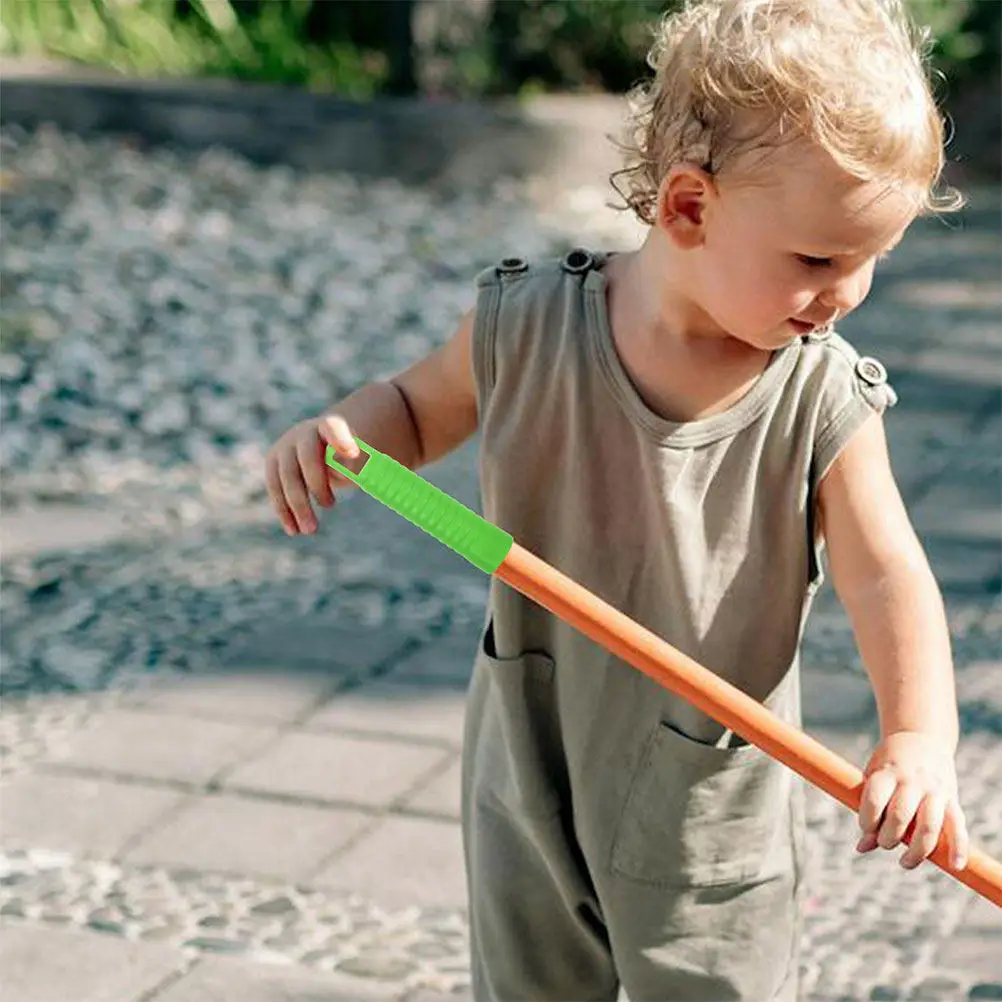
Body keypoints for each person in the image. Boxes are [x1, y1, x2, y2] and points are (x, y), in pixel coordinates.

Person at [265, 0, 971, 997]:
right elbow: (414, 411)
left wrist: (918, 742)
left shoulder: (819, 398)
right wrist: (341, 435)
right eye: (819, 260)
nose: (847, 294)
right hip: (530, 761)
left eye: (870, 262)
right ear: (687, 207)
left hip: (706, 813)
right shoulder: (525, 326)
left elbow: (888, 573)